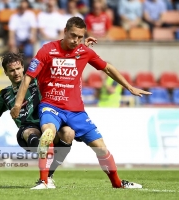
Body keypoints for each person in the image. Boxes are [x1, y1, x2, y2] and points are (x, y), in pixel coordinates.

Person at [10, 16, 152, 190]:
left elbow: (107, 68)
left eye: (79, 37)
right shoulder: (47, 50)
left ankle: (117, 183)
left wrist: (129, 87)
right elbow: (28, 77)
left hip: (76, 111)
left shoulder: (84, 51)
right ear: (65, 31)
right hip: (51, 105)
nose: (75, 40)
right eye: (73, 35)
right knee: (48, 132)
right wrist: (17, 104)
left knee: (101, 147)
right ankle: (44, 181)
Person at [0, 52, 74, 189]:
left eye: (18, 69)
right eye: (11, 70)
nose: (16, 73)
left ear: (23, 68)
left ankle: (48, 176)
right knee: (32, 133)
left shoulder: (38, 81)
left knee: (69, 133)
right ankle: (44, 165)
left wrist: (73, 56)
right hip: (27, 130)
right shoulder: (5, 94)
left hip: (48, 123)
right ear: (6, 73)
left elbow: (58, 70)